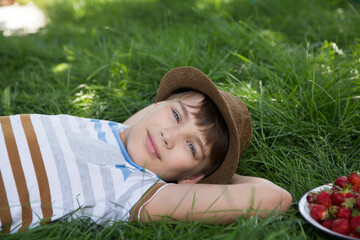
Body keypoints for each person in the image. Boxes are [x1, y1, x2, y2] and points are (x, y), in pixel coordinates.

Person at [0, 67, 292, 233]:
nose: (169, 136)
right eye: (176, 116)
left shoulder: (137, 191)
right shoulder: (115, 130)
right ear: (156, 106)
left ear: (192, 180)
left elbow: (276, 198)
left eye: (191, 147)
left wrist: (214, 176)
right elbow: (152, 117)